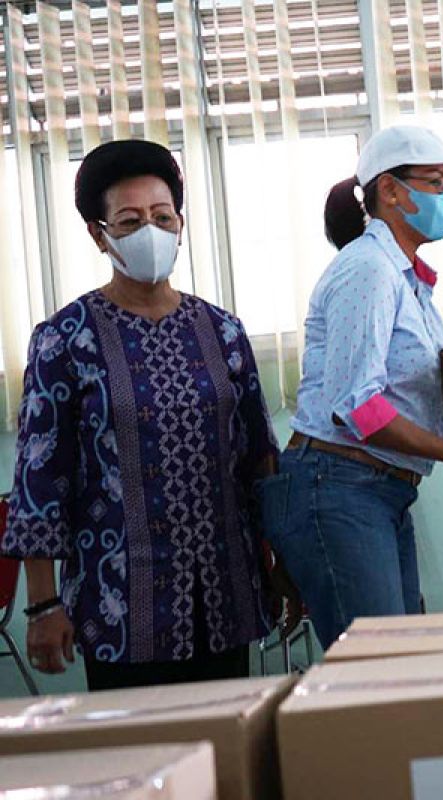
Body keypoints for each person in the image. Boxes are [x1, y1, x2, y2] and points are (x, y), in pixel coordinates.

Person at [1, 139, 289, 690]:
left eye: (162, 217)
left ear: (181, 224)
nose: (150, 232)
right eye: (129, 222)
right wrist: (41, 605)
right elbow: (39, 479)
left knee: (227, 753)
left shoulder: (223, 332)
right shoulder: (64, 339)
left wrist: (285, 565)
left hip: (227, 590)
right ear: (98, 233)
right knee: (144, 761)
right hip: (120, 602)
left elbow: (260, 460)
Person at [261, 126, 443, 648]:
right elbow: (358, 410)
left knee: (401, 662)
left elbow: (424, 397)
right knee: (378, 669)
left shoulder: (408, 281)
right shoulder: (369, 270)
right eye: (436, 183)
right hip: (336, 487)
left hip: (377, 491)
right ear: (390, 191)